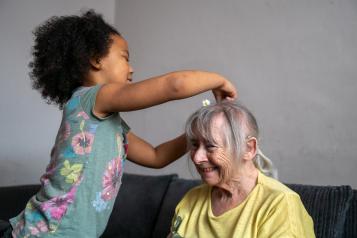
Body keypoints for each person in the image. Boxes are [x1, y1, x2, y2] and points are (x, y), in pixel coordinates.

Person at [0, 10, 237, 238]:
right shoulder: (90, 98)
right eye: (125, 57)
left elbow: (156, 156)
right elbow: (174, 85)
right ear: (95, 59)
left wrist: (197, 135)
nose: (131, 68)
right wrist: (219, 80)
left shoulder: (109, 125)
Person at [169, 101, 315, 238]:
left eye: (210, 146)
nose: (197, 158)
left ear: (249, 148)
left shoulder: (280, 204)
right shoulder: (191, 199)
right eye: (195, 145)